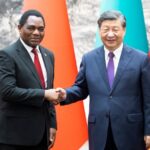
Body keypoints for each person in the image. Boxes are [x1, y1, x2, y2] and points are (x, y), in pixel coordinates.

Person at [55, 10, 150, 150]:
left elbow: (149, 99)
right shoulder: (89, 58)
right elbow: (81, 88)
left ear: (124, 30)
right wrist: (65, 94)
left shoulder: (141, 59)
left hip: (131, 131)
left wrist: (149, 131)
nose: (110, 34)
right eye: (106, 29)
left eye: (115, 29)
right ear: (99, 31)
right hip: (99, 131)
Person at [0, 9, 59, 150]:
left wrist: (52, 124)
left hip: (42, 136)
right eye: (31, 28)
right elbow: (7, 91)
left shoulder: (48, 55)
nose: (36, 33)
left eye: (41, 29)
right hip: (15, 138)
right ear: (19, 28)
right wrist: (44, 94)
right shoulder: (7, 55)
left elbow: (49, 90)